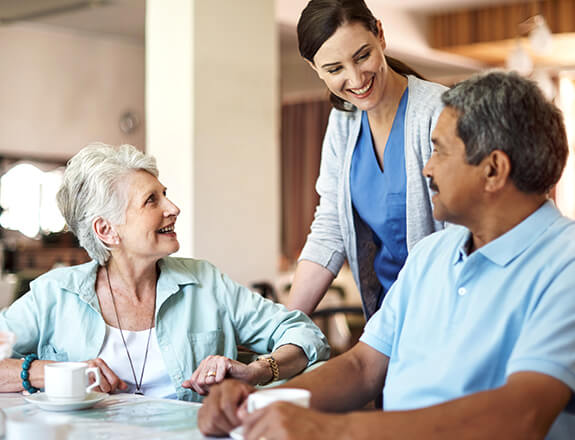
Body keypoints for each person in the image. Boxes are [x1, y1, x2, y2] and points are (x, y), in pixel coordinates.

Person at [198, 71, 575, 439]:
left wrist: (334, 430)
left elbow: (522, 416)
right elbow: (363, 366)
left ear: (493, 170)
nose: (427, 167)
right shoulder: (431, 254)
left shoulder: (565, 263)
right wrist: (257, 404)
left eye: (439, 151)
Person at [0, 143, 329, 401]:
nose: (173, 209)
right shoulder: (54, 294)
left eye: (165, 195)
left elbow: (305, 335)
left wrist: (257, 371)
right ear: (106, 230)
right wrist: (50, 372)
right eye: (151, 201)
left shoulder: (206, 282)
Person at [287, 0, 445, 320]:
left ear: (380, 36)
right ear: (314, 68)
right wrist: (285, 323)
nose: (356, 79)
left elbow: (469, 234)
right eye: (335, 69)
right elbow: (330, 227)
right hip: (385, 318)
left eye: (363, 56)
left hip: (441, 311)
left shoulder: (440, 112)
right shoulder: (343, 123)